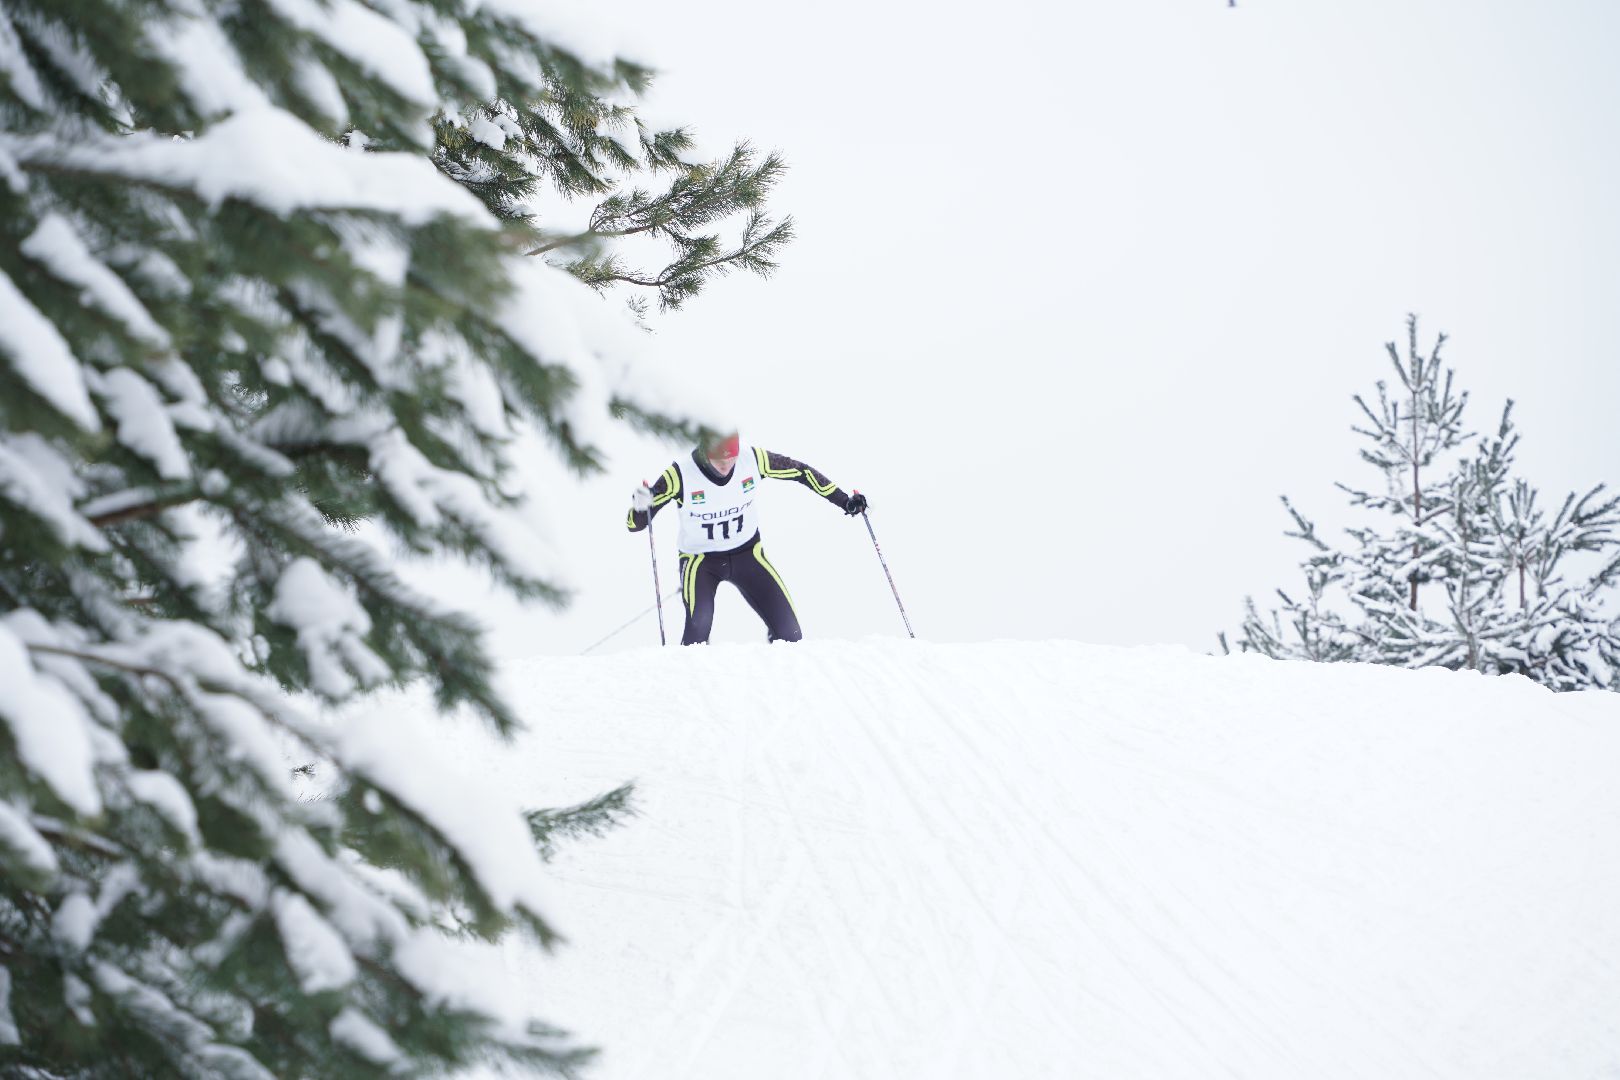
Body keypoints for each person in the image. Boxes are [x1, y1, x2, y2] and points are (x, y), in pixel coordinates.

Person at [626, 432, 868, 645]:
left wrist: (844, 500)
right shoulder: (680, 474)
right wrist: (640, 506)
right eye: (718, 460)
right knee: (696, 634)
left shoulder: (752, 459)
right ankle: (694, 681)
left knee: (791, 635)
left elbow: (801, 471)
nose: (726, 465)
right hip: (700, 562)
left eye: (730, 457)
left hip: (748, 554)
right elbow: (636, 524)